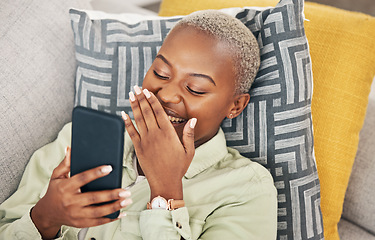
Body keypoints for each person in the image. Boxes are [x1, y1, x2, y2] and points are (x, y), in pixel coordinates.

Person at [0, 10, 277, 240]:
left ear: (235, 106)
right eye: (160, 73)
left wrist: (166, 193)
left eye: (195, 88)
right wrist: (44, 219)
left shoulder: (247, 189)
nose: (166, 95)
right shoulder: (77, 139)